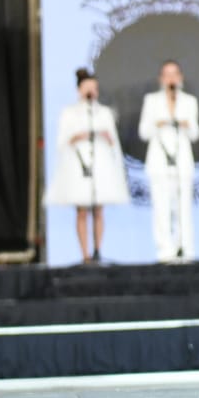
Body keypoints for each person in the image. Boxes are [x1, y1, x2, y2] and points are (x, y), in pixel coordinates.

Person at [45, 67, 131, 264]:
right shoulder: (69, 113)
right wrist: (78, 136)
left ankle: (98, 249)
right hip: (78, 164)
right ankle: (84, 254)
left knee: (98, 209)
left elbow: (114, 143)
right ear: (79, 90)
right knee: (82, 210)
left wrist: (106, 138)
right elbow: (61, 142)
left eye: (94, 88)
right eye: (87, 88)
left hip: (100, 164)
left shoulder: (104, 113)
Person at [138, 60, 199, 262]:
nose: (171, 78)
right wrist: (160, 123)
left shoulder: (189, 101)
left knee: (183, 207)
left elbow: (195, 134)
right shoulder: (152, 100)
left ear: (181, 77)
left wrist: (183, 123)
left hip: (182, 161)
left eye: (175, 74)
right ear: (161, 79)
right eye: (167, 74)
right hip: (159, 161)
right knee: (161, 207)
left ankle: (185, 247)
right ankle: (165, 250)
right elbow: (144, 132)